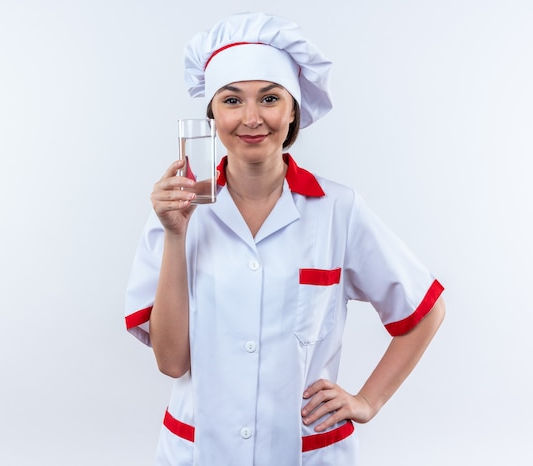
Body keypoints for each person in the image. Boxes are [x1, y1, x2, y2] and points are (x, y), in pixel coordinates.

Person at [125, 12, 445, 466]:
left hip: (306, 452)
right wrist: (176, 237)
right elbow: (172, 363)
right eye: (232, 100)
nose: (251, 118)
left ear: (293, 109)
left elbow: (425, 310)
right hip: (198, 452)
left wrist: (368, 401)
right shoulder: (176, 211)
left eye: (269, 98)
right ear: (211, 113)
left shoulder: (338, 209)